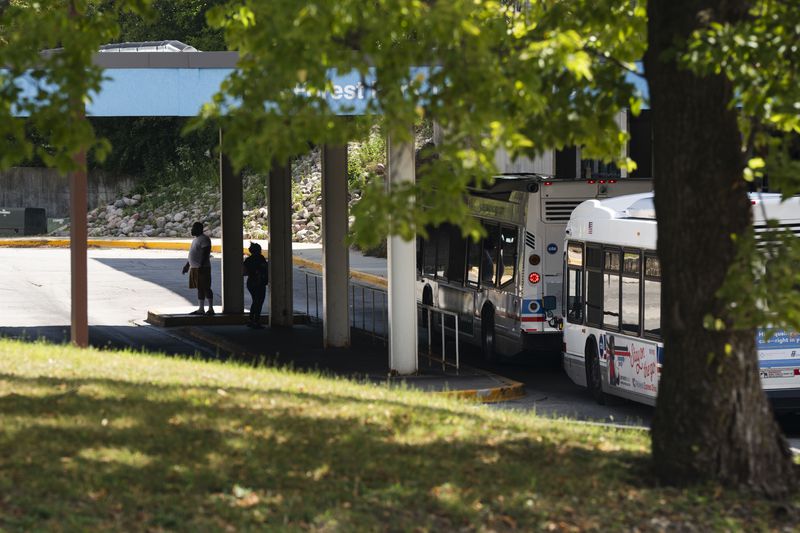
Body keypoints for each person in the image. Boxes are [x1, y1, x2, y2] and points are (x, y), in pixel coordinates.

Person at [182, 221, 215, 316]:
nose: (191, 230)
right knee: (200, 288)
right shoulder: (196, 239)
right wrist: (187, 265)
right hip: (195, 267)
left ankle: (211, 309)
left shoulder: (204, 239)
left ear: (199, 229)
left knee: (206, 288)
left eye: (193, 228)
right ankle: (201, 309)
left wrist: (201, 265)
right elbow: (194, 253)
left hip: (203, 268)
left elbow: (206, 253)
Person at [242, 242, 269, 328]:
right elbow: (265, 269)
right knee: (259, 302)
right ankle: (256, 320)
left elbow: (244, 273)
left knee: (255, 301)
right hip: (259, 283)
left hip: (251, 282)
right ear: (258, 250)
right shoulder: (261, 258)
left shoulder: (248, 260)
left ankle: (251, 320)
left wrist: (252, 272)